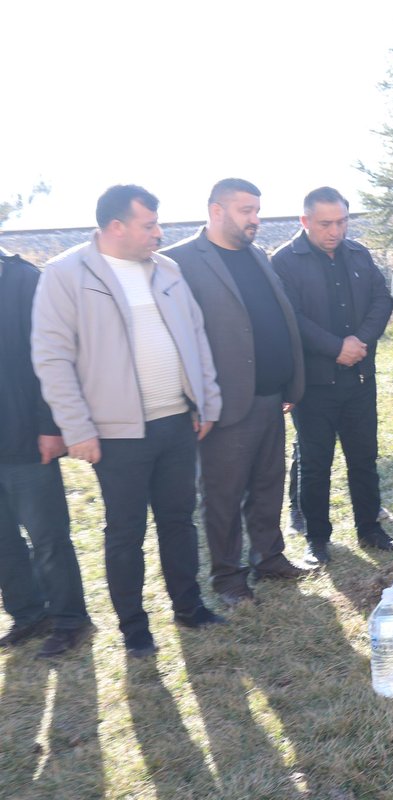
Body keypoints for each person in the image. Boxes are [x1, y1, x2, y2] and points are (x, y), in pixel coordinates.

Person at [32, 185, 225, 658]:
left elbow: (196, 339)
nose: (158, 233)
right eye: (148, 225)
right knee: (125, 533)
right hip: (117, 436)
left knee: (180, 520)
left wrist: (207, 400)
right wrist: (77, 428)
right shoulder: (66, 275)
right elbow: (52, 357)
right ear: (115, 227)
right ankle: (134, 629)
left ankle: (189, 606)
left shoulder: (168, 270)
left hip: (177, 421)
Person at [163, 179, 311, 607]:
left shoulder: (257, 256)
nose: (255, 219)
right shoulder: (179, 262)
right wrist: (191, 399)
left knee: (268, 484)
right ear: (216, 210)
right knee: (223, 493)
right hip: (221, 405)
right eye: (246, 210)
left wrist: (287, 379)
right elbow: (175, 338)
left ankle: (269, 556)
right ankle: (228, 576)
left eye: (257, 210)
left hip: (270, 395)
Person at [271, 187, 393, 565]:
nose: (335, 231)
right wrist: (335, 347)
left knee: (364, 457)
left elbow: (382, 300)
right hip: (314, 385)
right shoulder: (284, 262)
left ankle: (370, 529)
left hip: (359, 378)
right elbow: (290, 317)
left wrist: (359, 340)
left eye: (342, 221)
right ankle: (317, 539)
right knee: (315, 462)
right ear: (305, 221)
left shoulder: (358, 254)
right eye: (326, 223)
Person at [0, 248, 91, 659]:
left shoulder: (22, 279)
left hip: (23, 437)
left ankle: (70, 619)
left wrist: (50, 426)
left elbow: (49, 360)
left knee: (48, 537)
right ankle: (28, 614)